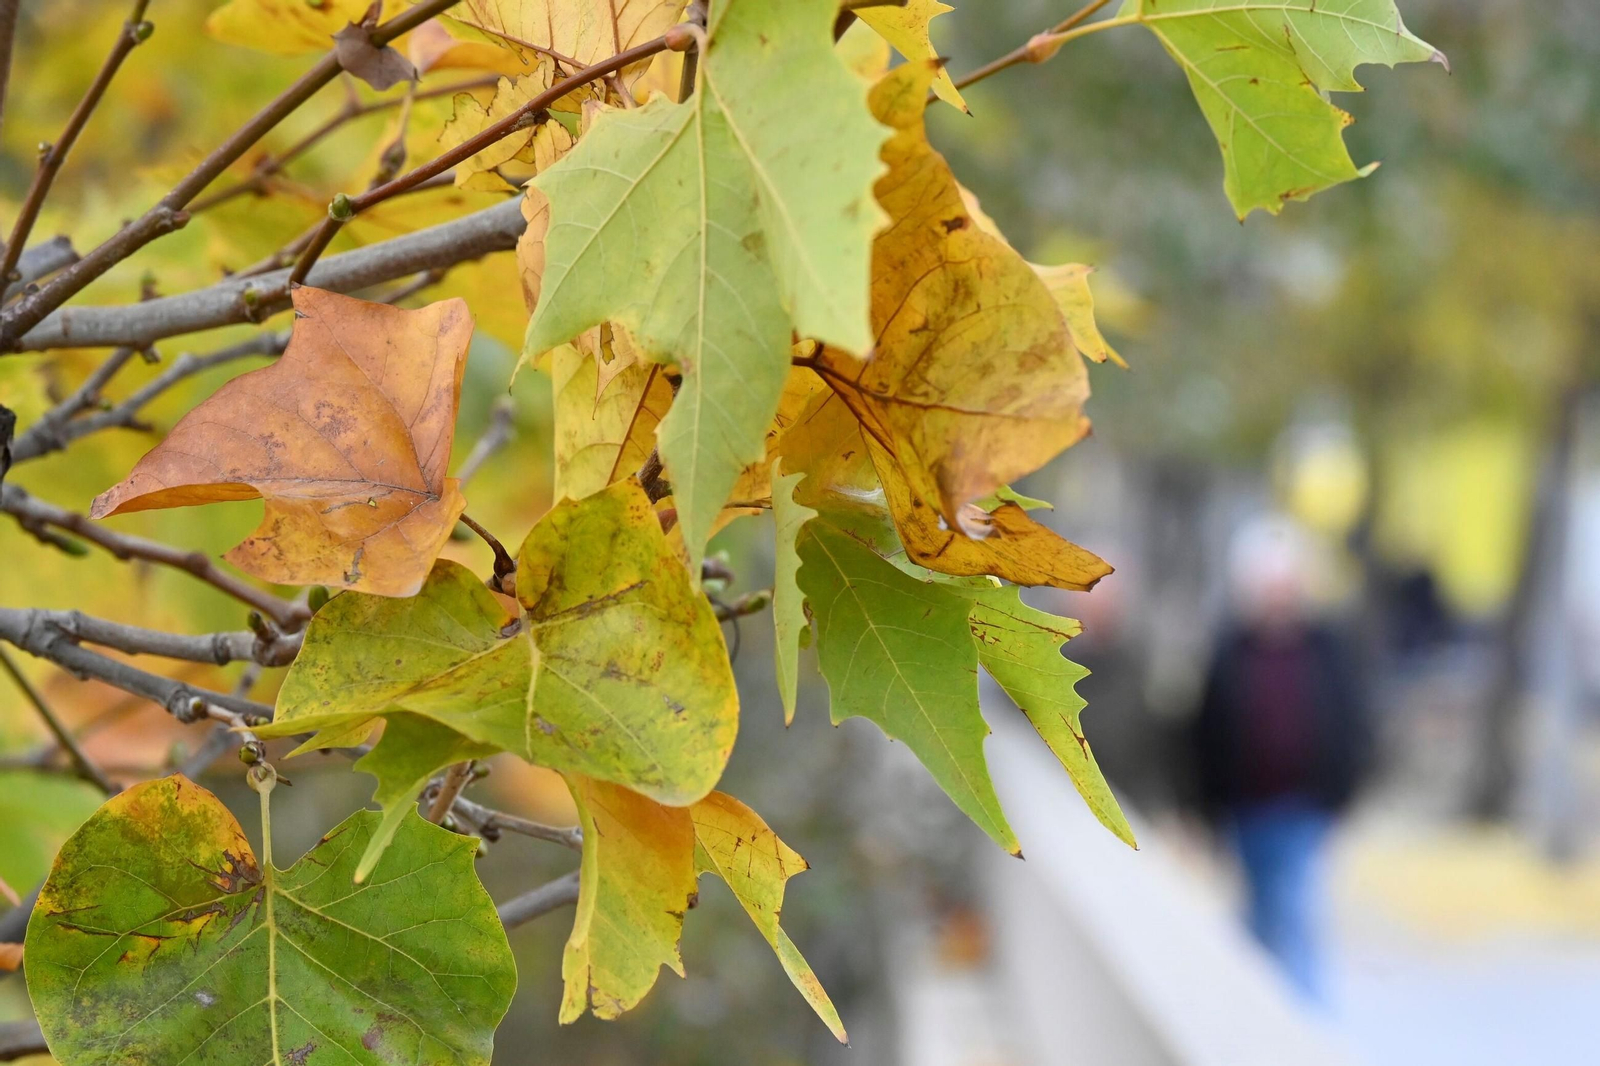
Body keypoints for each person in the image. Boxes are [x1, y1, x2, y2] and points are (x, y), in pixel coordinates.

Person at [1190, 517, 1370, 1003]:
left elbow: (1351, 723)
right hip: (1244, 808)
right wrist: (1206, 807)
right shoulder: (1231, 651)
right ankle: (1253, 1015)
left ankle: (1305, 1022)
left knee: (1295, 915)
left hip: (1304, 807)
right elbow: (1206, 731)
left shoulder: (1326, 649)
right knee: (1255, 918)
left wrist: (1343, 793)